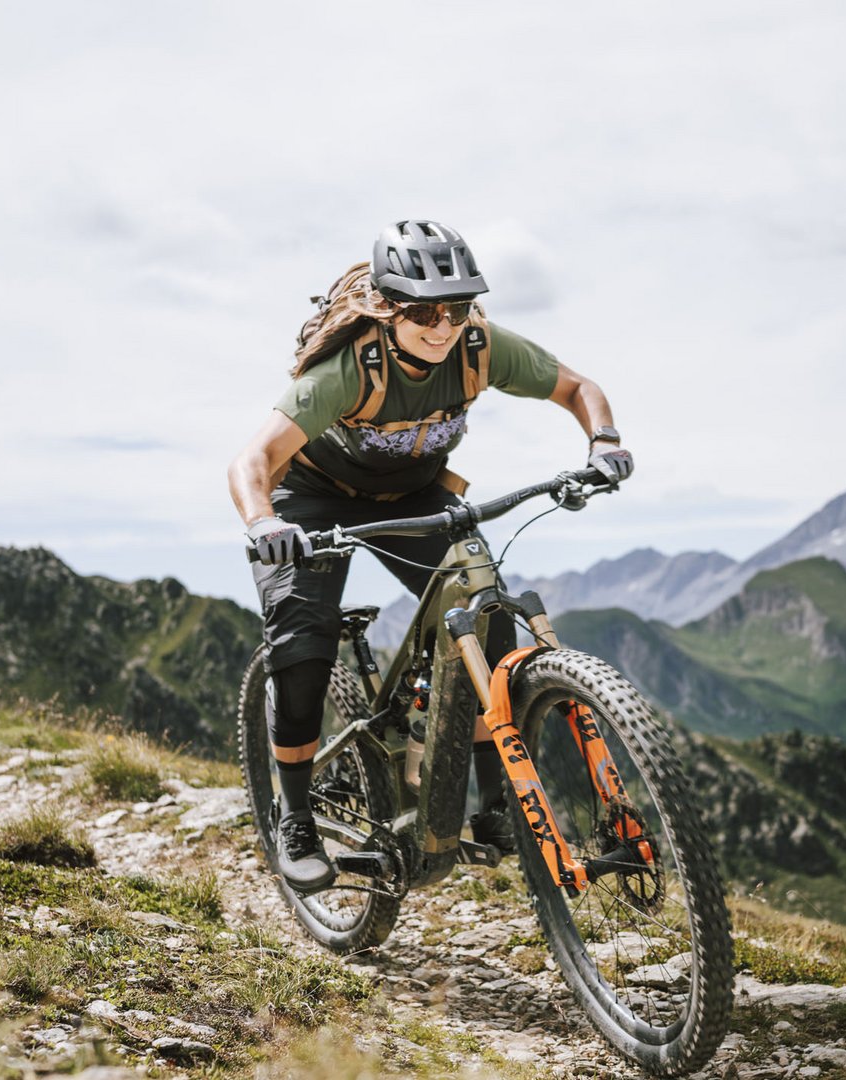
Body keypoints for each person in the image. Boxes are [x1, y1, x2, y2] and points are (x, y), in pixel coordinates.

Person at [228, 220, 634, 892]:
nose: (442, 325)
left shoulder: (480, 347)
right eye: (421, 310)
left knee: (488, 620)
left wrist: (605, 443)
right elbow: (253, 461)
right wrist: (262, 520)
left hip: (411, 497)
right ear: (389, 307)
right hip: (312, 501)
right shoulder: (351, 368)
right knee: (302, 652)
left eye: (458, 306)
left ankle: (495, 805)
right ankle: (294, 817)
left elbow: (578, 389)